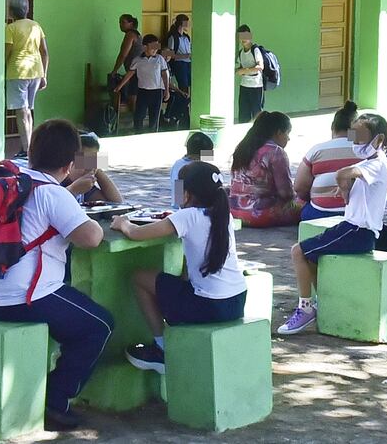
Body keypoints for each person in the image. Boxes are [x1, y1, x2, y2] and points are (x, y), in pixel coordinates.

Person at [0, 119, 113, 430]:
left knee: (74, 314)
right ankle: (55, 402)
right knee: (99, 326)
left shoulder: (6, 178)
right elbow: (91, 238)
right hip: (23, 297)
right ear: (71, 164)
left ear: (31, 152)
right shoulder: (52, 192)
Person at [111, 161, 247, 374]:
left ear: (186, 194)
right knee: (176, 281)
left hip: (208, 307)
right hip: (236, 300)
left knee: (139, 278)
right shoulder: (223, 215)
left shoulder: (187, 217)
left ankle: (161, 349)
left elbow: (136, 234)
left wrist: (122, 222)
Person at [278, 114, 387, 335]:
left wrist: (345, 186)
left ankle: (305, 308)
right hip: (351, 228)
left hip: (357, 231)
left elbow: (343, 173)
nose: (356, 143)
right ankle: (324, 303)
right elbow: (348, 178)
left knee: (298, 252)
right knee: (309, 256)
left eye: (360, 138)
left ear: (378, 140)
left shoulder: (377, 164)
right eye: (354, 136)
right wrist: (345, 187)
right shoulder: (369, 163)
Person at [229, 111, 303, 227]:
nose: (288, 139)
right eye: (288, 133)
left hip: (234, 211)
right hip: (260, 214)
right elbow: (286, 193)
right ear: (279, 133)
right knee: (306, 206)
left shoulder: (242, 147)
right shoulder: (276, 152)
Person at [294, 100, 361, 221]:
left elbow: (299, 187)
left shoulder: (316, 150)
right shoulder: (365, 151)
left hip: (319, 214)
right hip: (357, 215)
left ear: (333, 127)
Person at [5, 0, 49, 156]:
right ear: (27, 9)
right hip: (36, 71)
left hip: (18, 72)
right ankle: (29, 145)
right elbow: (44, 52)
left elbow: (6, 53)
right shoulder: (36, 26)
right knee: (28, 110)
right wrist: (44, 74)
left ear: (10, 11)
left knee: (21, 112)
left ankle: (26, 149)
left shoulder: (10, 28)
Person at [114, 34, 170, 131]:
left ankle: (153, 136)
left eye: (157, 47)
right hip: (142, 92)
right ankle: (138, 134)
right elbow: (130, 73)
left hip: (157, 92)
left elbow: (165, 75)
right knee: (139, 116)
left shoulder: (160, 59)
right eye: (153, 47)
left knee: (154, 118)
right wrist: (119, 86)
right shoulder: (137, 60)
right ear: (145, 47)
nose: (155, 49)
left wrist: (167, 90)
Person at [63, 131, 123, 203]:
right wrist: (72, 190)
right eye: (84, 162)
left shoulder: (83, 186)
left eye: (93, 162)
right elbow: (52, 202)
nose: (90, 168)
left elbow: (116, 203)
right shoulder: (57, 183)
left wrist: (97, 171)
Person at [170, 132, 214, 208]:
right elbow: (179, 197)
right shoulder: (197, 169)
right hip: (188, 209)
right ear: (201, 154)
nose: (211, 155)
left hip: (178, 207)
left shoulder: (177, 164)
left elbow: (177, 197)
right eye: (209, 152)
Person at [110, 14, 143, 111]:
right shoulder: (137, 34)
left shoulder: (130, 35)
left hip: (135, 71)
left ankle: (136, 122)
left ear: (131, 23)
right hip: (137, 70)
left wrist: (114, 71)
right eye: (119, 22)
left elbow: (123, 54)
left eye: (123, 22)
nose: (120, 25)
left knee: (132, 98)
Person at [235, 24, 264, 123]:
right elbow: (239, 67)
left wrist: (244, 71)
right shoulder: (241, 52)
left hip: (256, 86)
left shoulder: (255, 50)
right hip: (244, 86)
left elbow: (260, 67)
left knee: (257, 115)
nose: (243, 39)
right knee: (243, 114)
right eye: (241, 36)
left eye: (245, 36)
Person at [165, 14, 191, 94]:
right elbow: (170, 54)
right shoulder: (173, 37)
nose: (188, 23)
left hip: (188, 63)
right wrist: (185, 56)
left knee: (190, 84)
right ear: (181, 23)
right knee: (183, 85)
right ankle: (183, 101)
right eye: (186, 21)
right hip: (179, 63)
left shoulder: (186, 37)